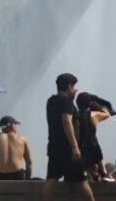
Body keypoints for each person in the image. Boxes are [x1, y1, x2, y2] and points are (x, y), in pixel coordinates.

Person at [42, 73, 95, 201]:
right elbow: (66, 122)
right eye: (74, 86)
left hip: (54, 146)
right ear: (70, 86)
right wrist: (75, 146)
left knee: (52, 178)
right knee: (83, 180)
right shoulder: (66, 101)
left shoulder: (51, 101)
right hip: (68, 149)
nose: (75, 89)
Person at [76, 92, 113, 182]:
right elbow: (107, 114)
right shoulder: (94, 115)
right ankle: (104, 175)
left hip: (80, 144)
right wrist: (96, 105)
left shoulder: (75, 116)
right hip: (93, 143)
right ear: (90, 103)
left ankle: (90, 175)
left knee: (84, 168)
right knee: (99, 160)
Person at [0, 115, 31, 180]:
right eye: (15, 124)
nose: (16, 127)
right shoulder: (22, 139)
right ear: (11, 125)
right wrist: (27, 180)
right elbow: (29, 163)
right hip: (17, 175)